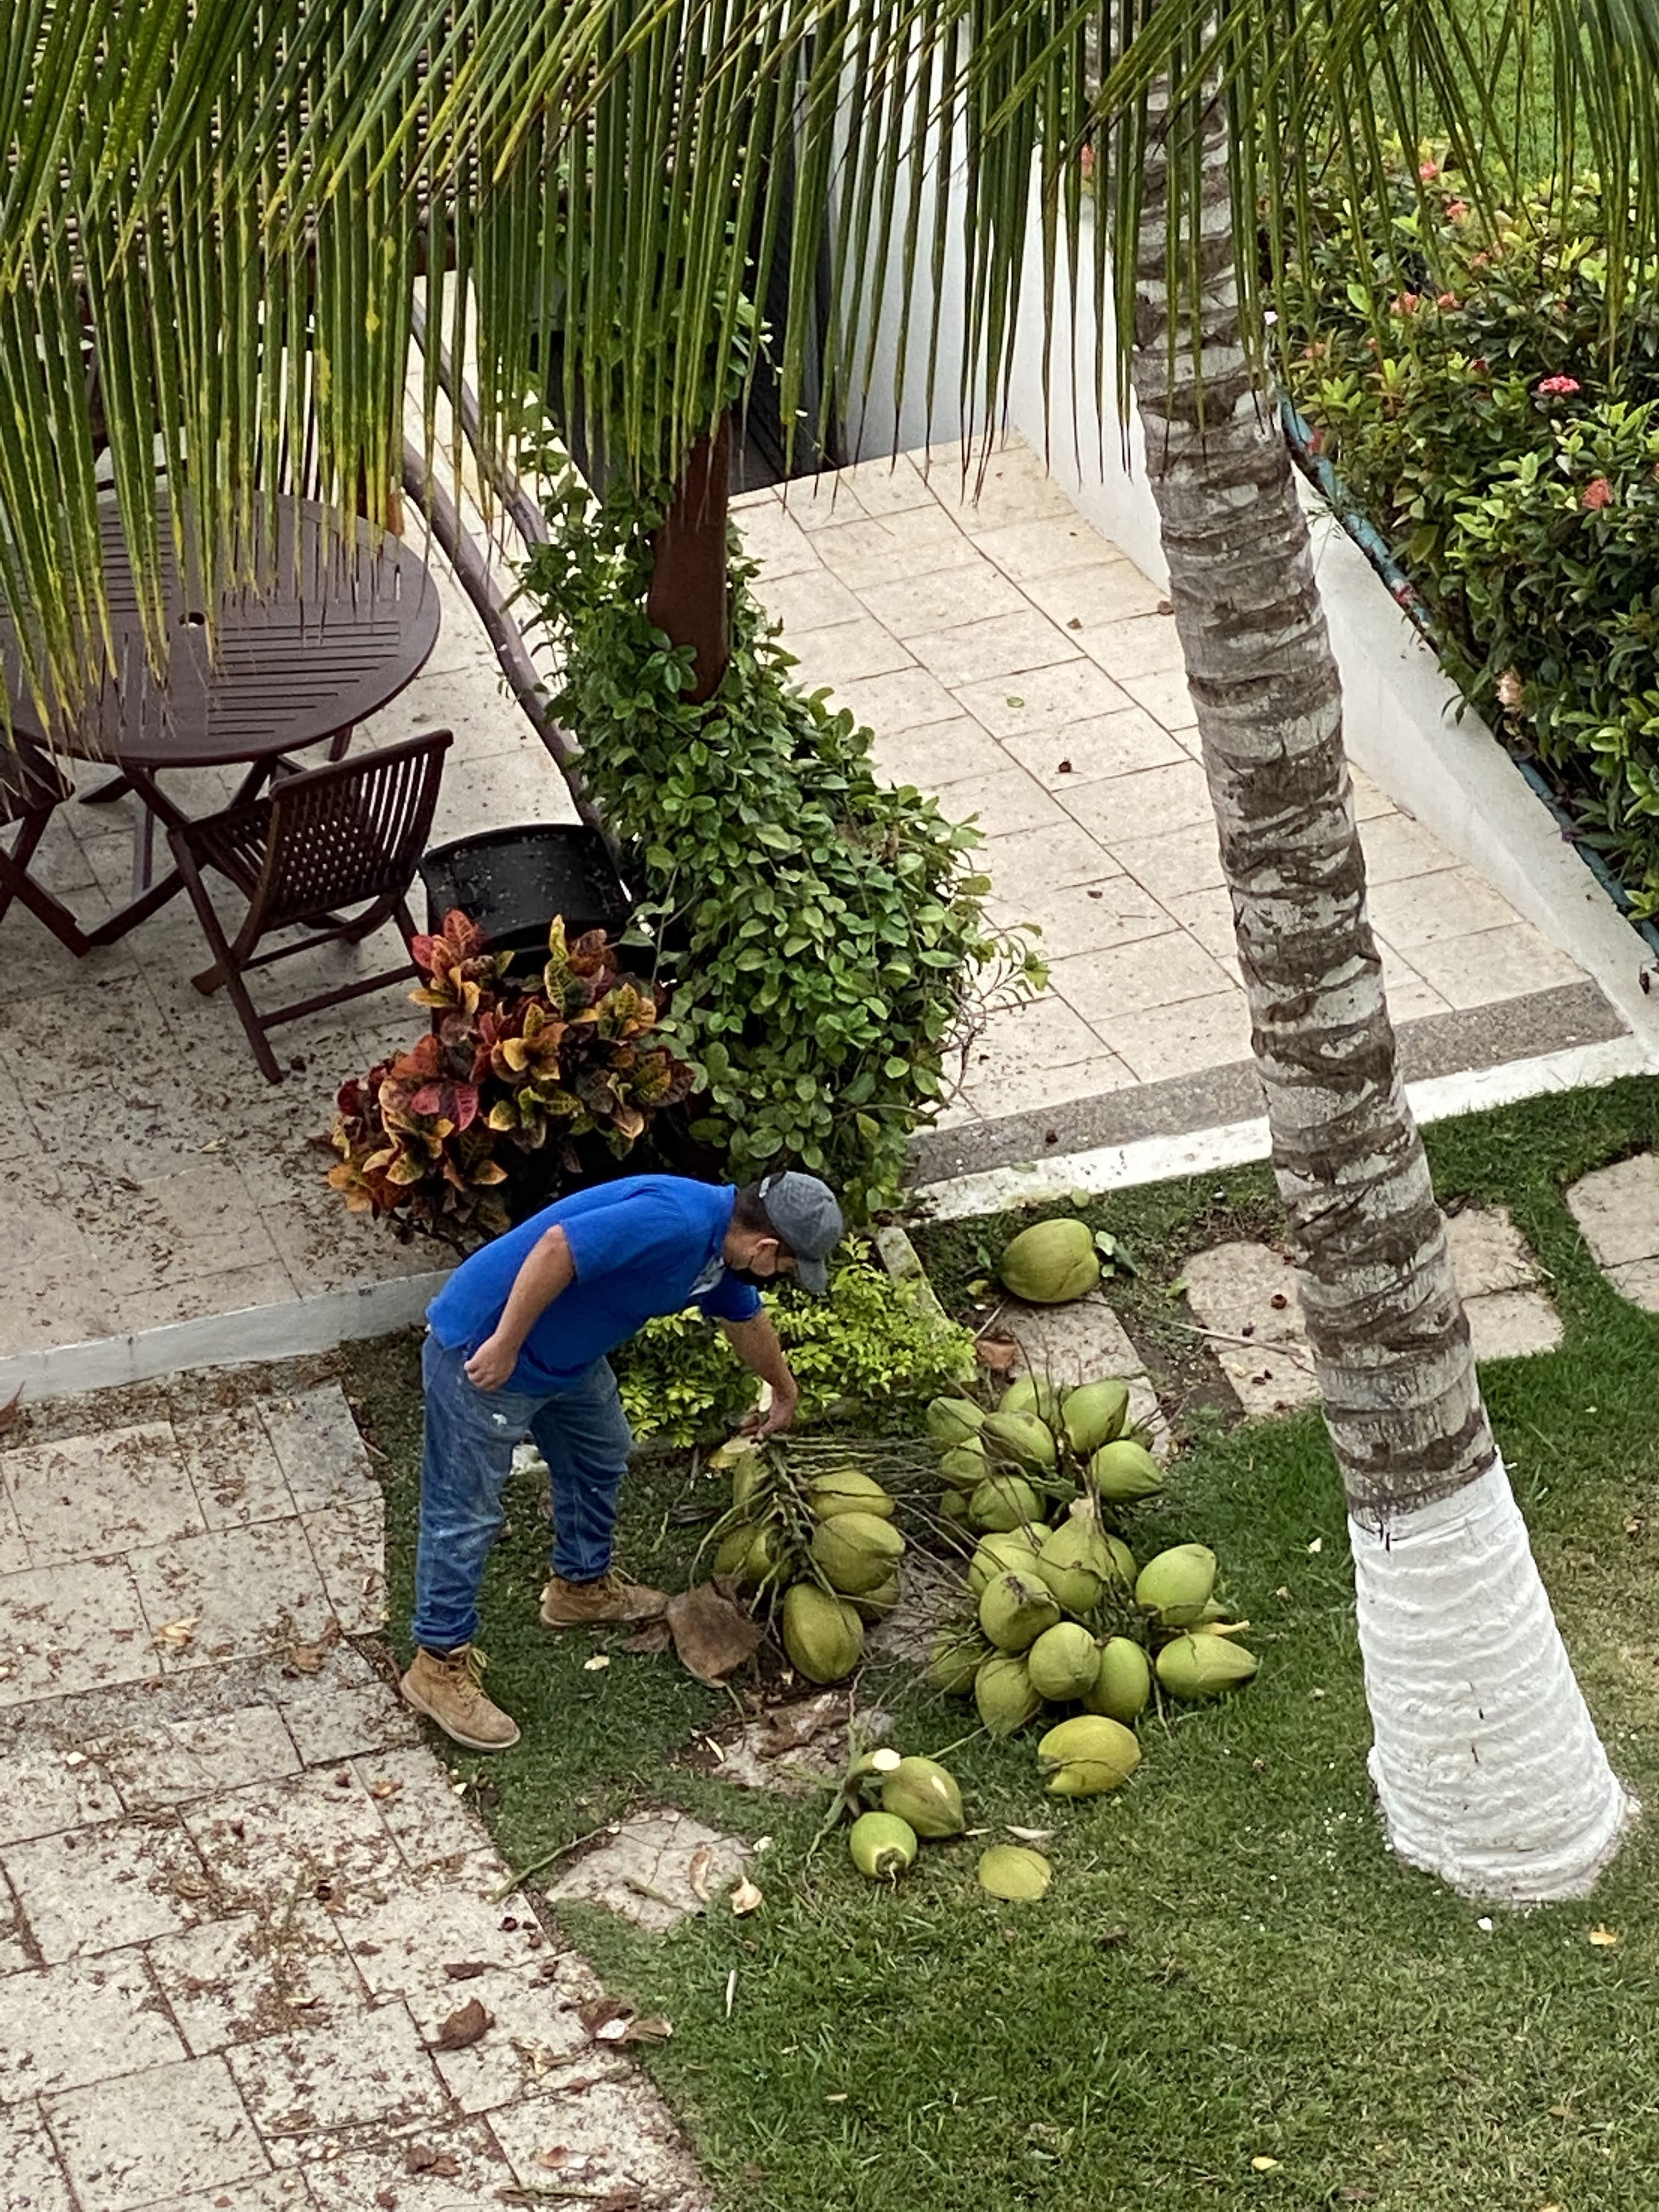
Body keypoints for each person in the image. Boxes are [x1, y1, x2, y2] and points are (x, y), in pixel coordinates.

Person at [400, 1169, 844, 1750]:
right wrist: (505, 1344)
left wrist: (784, 1390)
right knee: (465, 1514)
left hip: (569, 1360)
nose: (780, 1277)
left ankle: (580, 1587)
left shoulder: (722, 1258)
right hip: (485, 1353)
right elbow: (557, 1248)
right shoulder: (677, 1222)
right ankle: (437, 1665)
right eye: (785, 1267)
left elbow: (745, 1320)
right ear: (765, 1247)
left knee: (601, 1451)